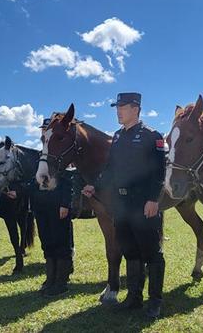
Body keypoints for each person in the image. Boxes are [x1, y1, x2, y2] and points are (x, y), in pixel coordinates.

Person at [82, 92, 167, 318]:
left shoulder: (152, 136)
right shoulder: (118, 137)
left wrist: (153, 199)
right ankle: (134, 298)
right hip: (122, 204)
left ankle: (155, 302)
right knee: (130, 251)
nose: (118, 111)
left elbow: (160, 171)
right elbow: (110, 169)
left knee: (151, 253)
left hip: (143, 203)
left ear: (136, 109)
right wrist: (95, 186)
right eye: (117, 107)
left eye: (123, 107)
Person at [28, 118, 75, 296]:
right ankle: (50, 278)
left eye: (46, 129)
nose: (43, 132)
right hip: (41, 207)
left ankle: (61, 281)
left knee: (60, 242)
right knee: (47, 242)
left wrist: (65, 204)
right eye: (42, 129)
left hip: (57, 206)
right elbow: (34, 182)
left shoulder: (59, 153)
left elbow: (68, 180)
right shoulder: (41, 155)